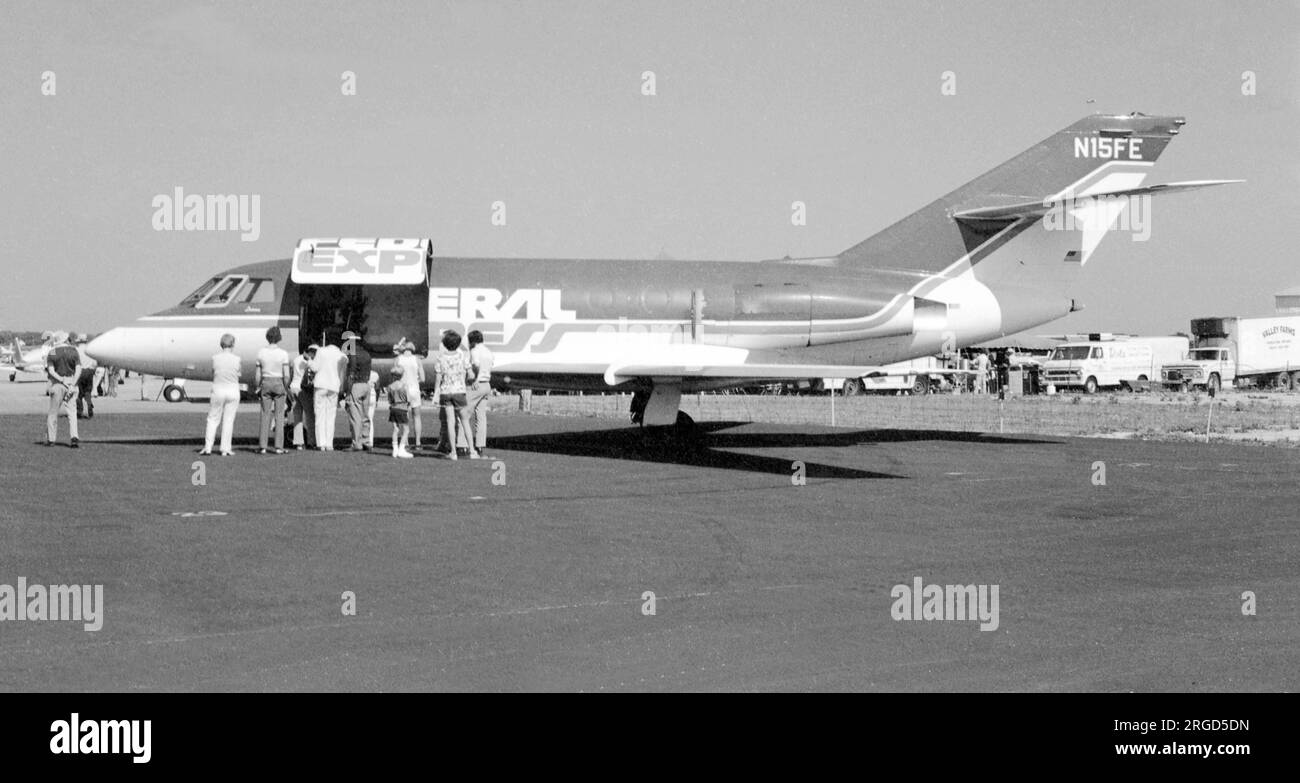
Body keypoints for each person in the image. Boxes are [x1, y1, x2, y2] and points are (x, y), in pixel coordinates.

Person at [432, 330, 477, 460]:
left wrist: (436, 393)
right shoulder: (462, 355)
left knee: (450, 422)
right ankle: (472, 450)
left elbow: (438, 377)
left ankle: (453, 452)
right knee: (465, 421)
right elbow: (471, 374)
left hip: (446, 392)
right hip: (459, 391)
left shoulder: (440, 357)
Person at [202, 334, 241, 456]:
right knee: (228, 420)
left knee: (213, 419)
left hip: (218, 389)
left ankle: (208, 447)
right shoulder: (237, 359)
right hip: (233, 390)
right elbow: (239, 373)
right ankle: (225, 448)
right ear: (233, 344)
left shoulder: (215, 358)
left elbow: (213, 372)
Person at [309, 331, 347, 450]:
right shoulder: (342, 356)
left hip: (321, 384)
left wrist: (308, 360)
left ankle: (321, 443)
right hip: (334, 386)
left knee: (320, 415)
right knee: (331, 416)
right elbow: (343, 375)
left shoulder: (321, 351)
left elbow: (315, 368)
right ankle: (329, 443)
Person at [255, 326, 291, 454]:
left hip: (265, 381)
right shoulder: (283, 354)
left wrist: (258, 386)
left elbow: (257, 375)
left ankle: (263, 446)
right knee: (279, 415)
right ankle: (278, 446)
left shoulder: (261, 353)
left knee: (265, 414)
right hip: (278, 381)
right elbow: (286, 375)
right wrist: (286, 387)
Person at [44, 331, 81, 448]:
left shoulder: (52, 352)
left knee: (53, 412)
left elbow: (51, 371)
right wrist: (72, 384)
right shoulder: (74, 351)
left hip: (57, 384)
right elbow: (78, 369)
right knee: (72, 413)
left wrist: (61, 380)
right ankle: (74, 437)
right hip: (71, 382)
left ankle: (51, 439)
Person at [341, 330, 373, 452]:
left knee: (355, 416)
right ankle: (366, 441)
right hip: (366, 384)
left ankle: (356, 443)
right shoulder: (366, 354)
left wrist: (347, 391)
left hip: (356, 385)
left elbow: (351, 373)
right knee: (365, 415)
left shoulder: (352, 355)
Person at [466, 330, 494, 457]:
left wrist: (475, 379)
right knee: (481, 416)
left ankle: (462, 445)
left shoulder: (474, 351)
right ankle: (480, 445)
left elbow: (476, 365)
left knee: (465, 414)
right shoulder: (488, 351)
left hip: (476, 384)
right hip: (487, 384)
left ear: (472, 341)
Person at [393, 339, 426, 450]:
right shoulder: (417, 360)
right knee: (416, 417)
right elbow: (423, 378)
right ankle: (417, 442)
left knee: (404, 417)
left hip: (402, 390)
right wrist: (415, 381)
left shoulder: (398, 359)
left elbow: (394, 375)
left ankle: (405, 441)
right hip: (414, 389)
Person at [289, 344, 317, 450]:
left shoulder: (296, 359)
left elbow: (292, 375)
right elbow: (309, 376)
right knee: (310, 415)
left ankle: (298, 442)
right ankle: (311, 441)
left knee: (297, 417)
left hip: (293, 387)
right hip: (303, 389)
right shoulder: (309, 361)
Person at [386, 365, 414, 458]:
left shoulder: (390, 387)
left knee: (395, 429)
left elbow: (389, 400)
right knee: (406, 430)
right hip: (402, 408)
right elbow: (408, 399)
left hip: (393, 408)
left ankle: (395, 450)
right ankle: (401, 449)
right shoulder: (404, 386)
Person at [74, 334, 98, 419]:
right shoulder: (89, 349)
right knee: (88, 391)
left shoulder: (76, 350)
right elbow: (95, 363)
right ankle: (89, 404)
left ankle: (79, 411)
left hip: (80, 371)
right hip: (89, 371)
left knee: (79, 393)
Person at [366, 369, 379, 448]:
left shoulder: (361, 373)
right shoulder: (375, 374)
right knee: (370, 419)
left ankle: (363, 439)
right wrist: (377, 399)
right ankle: (370, 441)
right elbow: (377, 388)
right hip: (373, 395)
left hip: (365, 395)